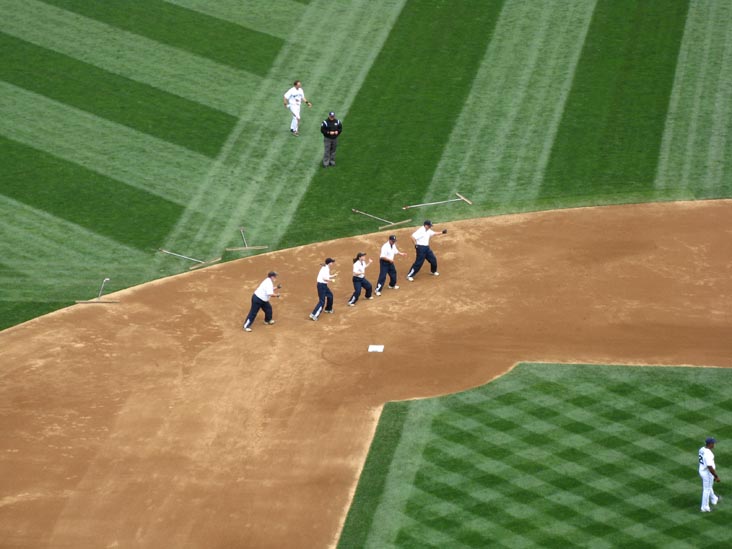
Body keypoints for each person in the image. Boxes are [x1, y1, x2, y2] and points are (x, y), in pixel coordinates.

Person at [699, 437, 721, 512]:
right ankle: (704, 507)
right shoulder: (709, 454)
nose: (714, 444)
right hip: (707, 473)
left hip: (702, 470)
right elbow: (710, 467)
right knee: (707, 489)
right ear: (710, 444)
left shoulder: (702, 449)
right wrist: (716, 476)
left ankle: (714, 499)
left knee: (708, 486)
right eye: (713, 443)